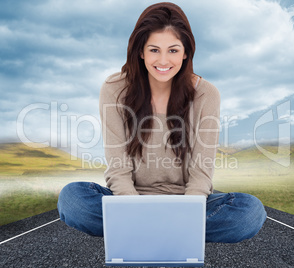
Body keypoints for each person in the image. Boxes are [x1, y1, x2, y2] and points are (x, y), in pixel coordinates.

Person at [57, 2, 266, 243]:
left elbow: (201, 173)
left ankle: (142, 232)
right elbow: (118, 167)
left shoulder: (207, 94)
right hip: (129, 200)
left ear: (186, 52)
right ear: (141, 51)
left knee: (249, 212)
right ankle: (173, 233)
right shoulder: (114, 89)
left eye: (173, 50)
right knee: (72, 199)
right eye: (154, 50)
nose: (163, 61)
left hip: (187, 202)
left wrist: (186, 213)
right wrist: (134, 209)